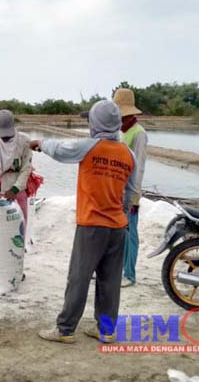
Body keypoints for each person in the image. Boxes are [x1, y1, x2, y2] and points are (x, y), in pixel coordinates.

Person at [30, 100, 137, 344]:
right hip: (118, 226)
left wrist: (38, 144)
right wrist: (122, 215)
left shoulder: (90, 147)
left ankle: (65, 330)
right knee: (110, 281)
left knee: (79, 277)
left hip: (92, 225)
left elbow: (60, 150)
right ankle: (106, 330)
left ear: (96, 122)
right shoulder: (128, 154)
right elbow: (130, 193)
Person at [113, 88, 147, 288]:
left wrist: (133, 197)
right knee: (119, 234)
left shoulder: (139, 134)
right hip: (117, 192)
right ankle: (117, 271)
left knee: (130, 234)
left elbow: (139, 168)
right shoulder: (121, 132)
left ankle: (130, 274)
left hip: (130, 193)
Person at [0, 109, 33, 223]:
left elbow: (26, 168)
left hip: (18, 191)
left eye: (8, 134)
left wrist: (15, 189)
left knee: (20, 224)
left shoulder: (24, 141)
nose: (5, 137)